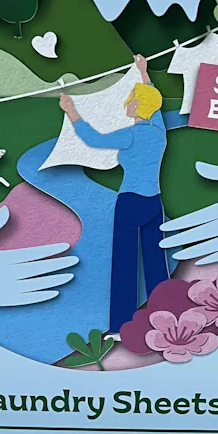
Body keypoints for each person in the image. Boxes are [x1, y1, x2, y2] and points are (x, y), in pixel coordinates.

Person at [59, 54, 168, 334]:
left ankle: (122, 326)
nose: (127, 103)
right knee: (156, 261)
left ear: (138, 105)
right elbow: (154, 102)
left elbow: (94, 139)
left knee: (124, 262)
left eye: (131, 100)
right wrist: (143, 71)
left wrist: (71, 110)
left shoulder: (130, 135)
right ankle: (166, 316)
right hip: (154, 202)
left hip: (130, 202)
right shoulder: (159, 132)